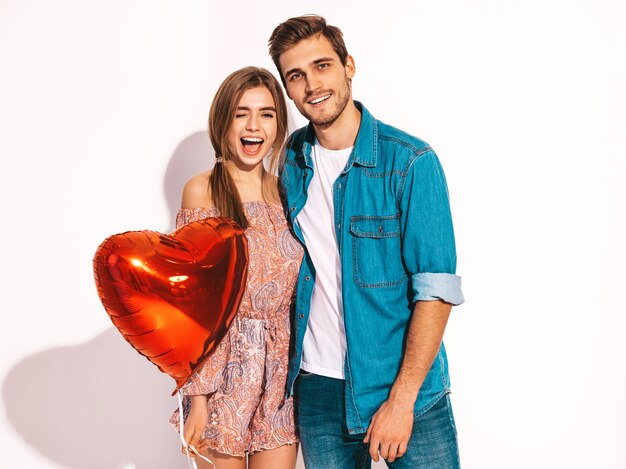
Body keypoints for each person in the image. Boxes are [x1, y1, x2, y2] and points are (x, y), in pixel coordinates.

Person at [268, 15, 465, 468]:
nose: (312, 85)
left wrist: (402, 400)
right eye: (295, 76)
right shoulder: (290, 164)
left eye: (322, 66)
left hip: (403, 388)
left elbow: (435, 292)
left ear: (348, 66)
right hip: (318, 388)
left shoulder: (411, 162)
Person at [169, 66, 302, 469]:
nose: (253, 126)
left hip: (282, 374)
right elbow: (194, 306)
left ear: (279, 124)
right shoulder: (202, 189)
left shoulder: (288, 192)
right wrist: (198, 401)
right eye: (241, 112)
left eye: (266, 114)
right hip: (224, 371)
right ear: (223, 120)